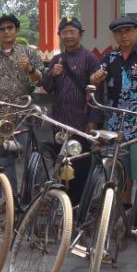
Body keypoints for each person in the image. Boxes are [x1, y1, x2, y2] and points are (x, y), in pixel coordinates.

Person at [90, 15, 137, 205]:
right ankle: (126, 205)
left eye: (128, 31)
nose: (124, 35)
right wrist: (95, 78)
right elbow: (95, 78)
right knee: (121, 169)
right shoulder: (109, 57)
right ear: (114, 36)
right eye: (119, 32)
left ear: (136, 32)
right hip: (114, 123)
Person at [0, 14, 44, 192]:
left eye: (10, 28)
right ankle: (10, 199)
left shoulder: (29, 53)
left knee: (30, 155)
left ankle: (35, 197)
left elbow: (41, 80)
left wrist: (30, 69)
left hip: (24, 113)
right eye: (2, 29)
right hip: (1, 115)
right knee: (5, 157)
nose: (6, 32)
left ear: (17, 30)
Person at [43, 17, 102, 206]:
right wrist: (52, 74)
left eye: (72, 32)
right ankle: (63, 204)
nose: (68, 36)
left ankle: (78, 207)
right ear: (59, 35)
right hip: (59, 124)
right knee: (61, 165)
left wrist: (93, 120)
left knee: (80, 167)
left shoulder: (90, 58)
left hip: (81, 124)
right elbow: (47, 87)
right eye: (64, 32)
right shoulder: (56, 59)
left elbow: (97, 92)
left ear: (80, 34)